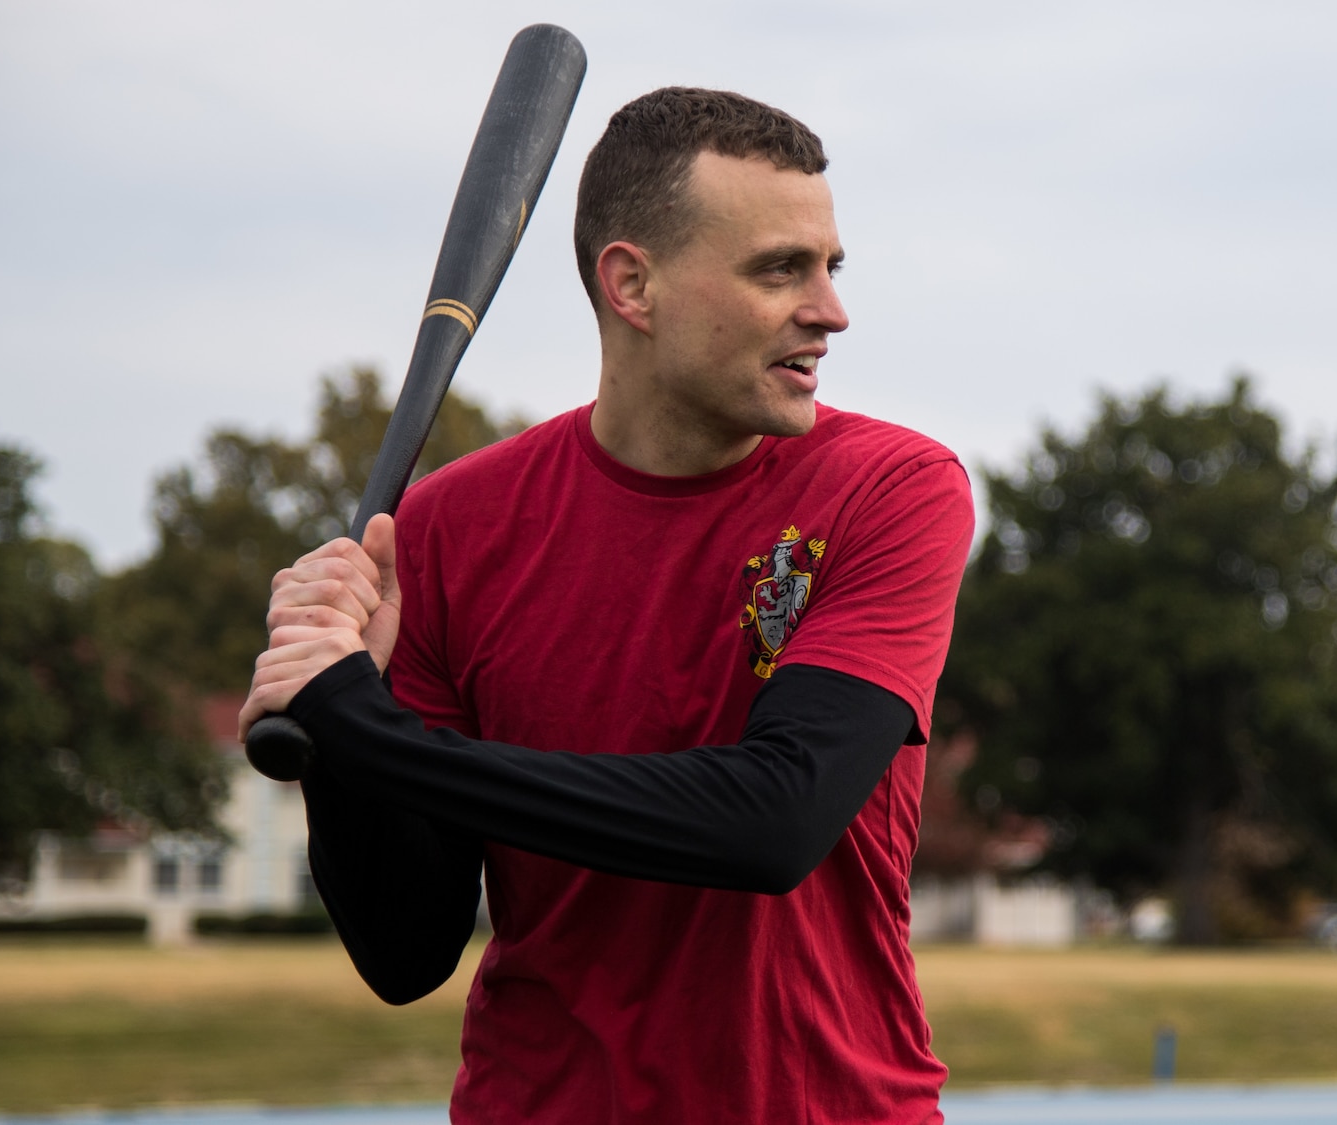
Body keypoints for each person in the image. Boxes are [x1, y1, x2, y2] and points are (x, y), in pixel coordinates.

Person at [238, 87, 974, 1124]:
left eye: (829, 268)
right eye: (779, 270)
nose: (830, 310)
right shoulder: (449, 526)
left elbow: (770, 823)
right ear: (632, 285)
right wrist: (340, 737)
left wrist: (359, 729)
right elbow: (404, 952)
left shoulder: (891, 489)